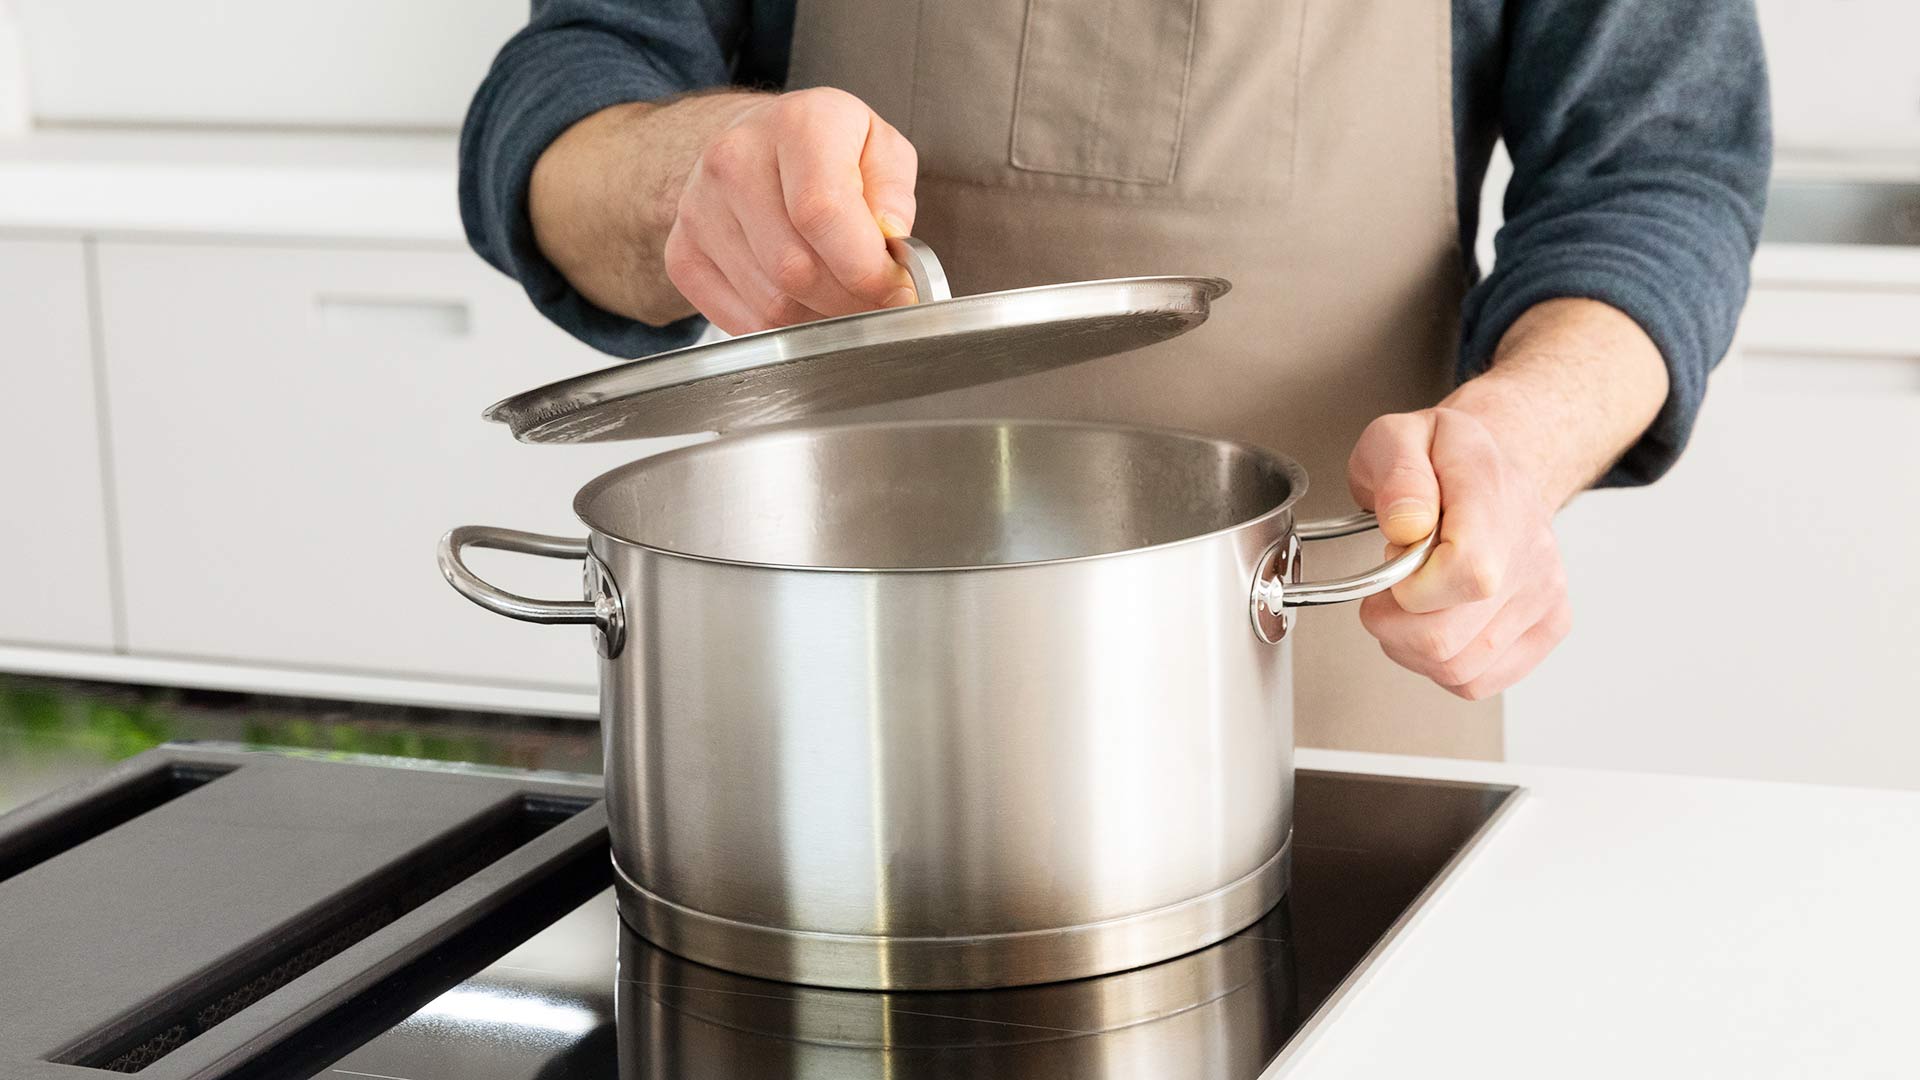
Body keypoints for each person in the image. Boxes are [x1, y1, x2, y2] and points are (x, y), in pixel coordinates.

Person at [459, 0, 1770, 758]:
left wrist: (1515, 445)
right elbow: (569, 91)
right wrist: (692, 177)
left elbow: (1656, 166)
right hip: (825, 757)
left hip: (1331, 729)